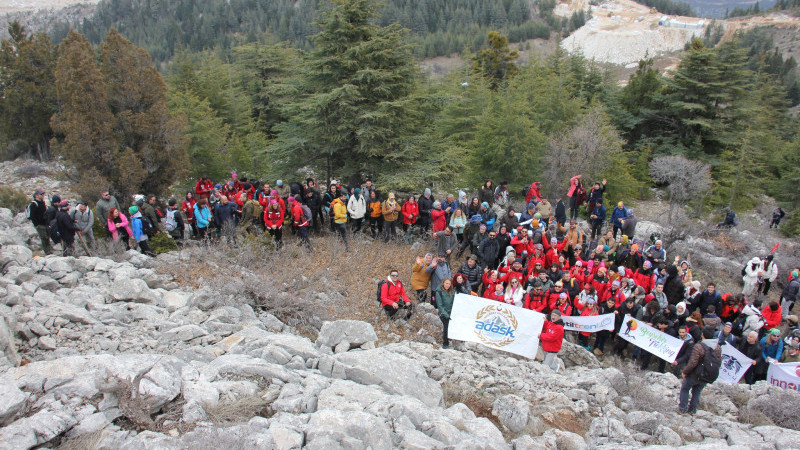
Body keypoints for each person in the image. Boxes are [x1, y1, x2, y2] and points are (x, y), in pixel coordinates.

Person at [678, 325, 721, 415]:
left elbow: (692, 362)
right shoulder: (717, 347)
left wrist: (685, 372)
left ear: (702, 335)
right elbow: (718, 362)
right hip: (706, 375)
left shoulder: (699, 346)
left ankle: (682, 409)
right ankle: (693, 411)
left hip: (695, 374)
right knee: (697, 392)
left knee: (685, 389)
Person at [27, 189, 51, 254]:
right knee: (44, 238)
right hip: (39, 224)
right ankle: (47, 251)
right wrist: (36, 224)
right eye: (41, 194)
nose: (43, 195)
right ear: (36, 195)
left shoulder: (43, 203)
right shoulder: (33, 204)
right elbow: (32, 216)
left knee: (47, 237)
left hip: (45, 223)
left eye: (43, 194)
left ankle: (49, 249)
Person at [435, 278, 456, 348]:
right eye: (446, 283)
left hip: (451, 312)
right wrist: (446, 315)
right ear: (443, 283)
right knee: (446, 326)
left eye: (449, 284)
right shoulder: (439, 291)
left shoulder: (452, 292)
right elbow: (440, 305)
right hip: (443, 313)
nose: (448, 285)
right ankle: (445, 343)